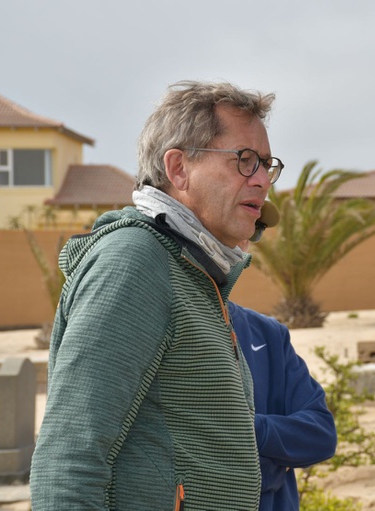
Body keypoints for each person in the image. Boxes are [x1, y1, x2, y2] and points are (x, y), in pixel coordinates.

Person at [30, 80, 283, 511]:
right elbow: (69, 460)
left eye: (266, 164)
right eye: (244, 160)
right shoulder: (135, 261)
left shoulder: (193, 270)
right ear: (178, 168)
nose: (262, 180)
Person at [228, 298, 337, 510]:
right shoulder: (156, 331)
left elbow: (322, 435)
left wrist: (249, 428)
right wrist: (276, 463)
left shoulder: (268, 333)